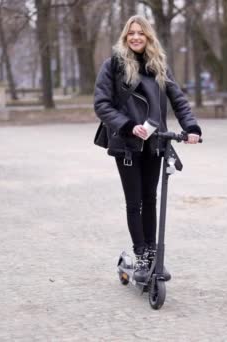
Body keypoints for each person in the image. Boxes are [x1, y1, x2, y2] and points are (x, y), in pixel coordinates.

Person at [94, 15, 202, 282]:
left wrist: (192, 128)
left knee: (151, 199)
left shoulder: (159, 66)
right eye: (131, 33)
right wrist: (129, 125)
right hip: (127, 143)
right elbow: (102, 104)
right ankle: (141, 255)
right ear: (125, 37)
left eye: (141, 33)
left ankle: (152, 255)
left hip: (155, 142)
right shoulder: (113, 66)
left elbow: (178, 100)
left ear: (149, 37)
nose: (136, 37)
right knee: (135, 203)